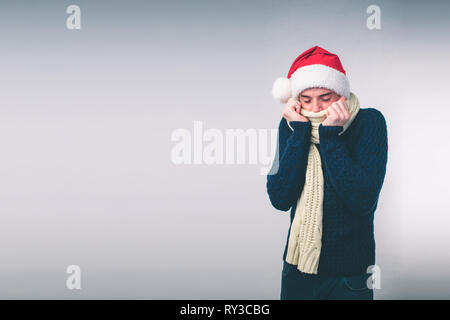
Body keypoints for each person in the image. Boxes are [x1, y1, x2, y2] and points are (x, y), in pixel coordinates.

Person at [266, 46, 388, 300]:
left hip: (349, 275)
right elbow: (280, 197)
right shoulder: (292, 125)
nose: (315, 107)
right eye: (306, 99)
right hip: (297, 272)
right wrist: (299, 133)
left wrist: (330, 136)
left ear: (341, 94)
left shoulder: (369, 123)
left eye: (325, 97)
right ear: (296, 99)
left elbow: (362, 200)